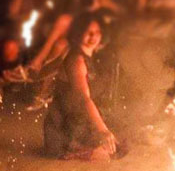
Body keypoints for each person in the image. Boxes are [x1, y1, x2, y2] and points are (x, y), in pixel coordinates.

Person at [43, 13, 121, 161]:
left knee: (121, 144)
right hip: (65, 130)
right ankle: (76, 151)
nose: (93, 37)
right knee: (106, 156)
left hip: (81, 124)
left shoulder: (93, 56)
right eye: (88, 33)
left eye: (97, 33)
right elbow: (83, 98)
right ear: (78, 34)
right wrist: (103, 130)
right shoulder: (76, 60)